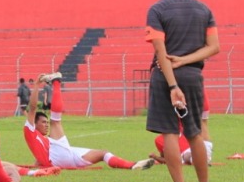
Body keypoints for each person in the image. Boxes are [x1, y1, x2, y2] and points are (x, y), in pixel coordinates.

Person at [145, 0, 220, 182]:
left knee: (170, 132)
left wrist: (172, 86)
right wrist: (186, 60)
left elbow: (161, 51)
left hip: (165, 77)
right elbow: (214, 47)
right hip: (193, 75)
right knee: (195, 132)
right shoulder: (203, 9)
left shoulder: (157, 10)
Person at [24, 72, 152, 170]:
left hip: (63, 154)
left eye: (46, 122)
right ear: (34, 123)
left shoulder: (43, 141)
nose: (46, 125)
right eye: (43, 122)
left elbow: (41, 155)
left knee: (103, 154)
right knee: (55, 121)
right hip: (58, 156)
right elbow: (33, 107)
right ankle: (56, 82)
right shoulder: (30, 128)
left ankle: (132, 165)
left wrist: (37, 163)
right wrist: (36, 85)